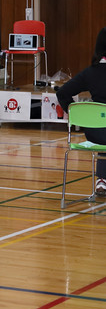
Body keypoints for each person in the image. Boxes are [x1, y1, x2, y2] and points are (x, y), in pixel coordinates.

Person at [57, 27, 106, 195]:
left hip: (94, 133)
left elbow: (62, 93)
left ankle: (102, 181)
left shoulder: (90, 73)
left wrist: (74, 115)